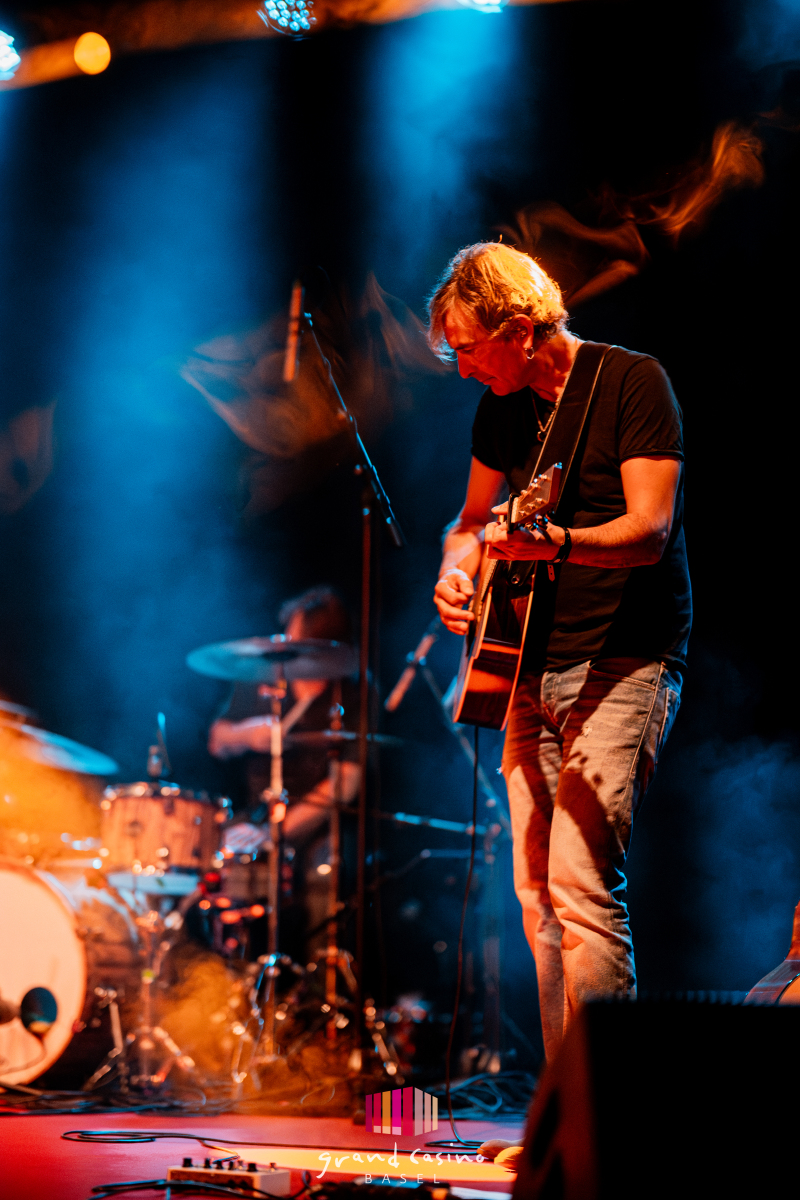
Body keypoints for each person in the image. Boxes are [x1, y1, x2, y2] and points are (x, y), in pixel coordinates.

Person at [429, 243, 690, 1078]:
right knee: (537, 896)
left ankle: (606, 1120)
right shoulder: (501, 410)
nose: (462, 368)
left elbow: (650, 530)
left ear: (518, 328)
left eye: (468, 348)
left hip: (624, 657)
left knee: (580, 886)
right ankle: (561, 1115)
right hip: (523, 667)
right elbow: (471, 521)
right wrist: (457, 570)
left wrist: (558, 543)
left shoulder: (632, 382)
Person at [208, 586, 360, 957]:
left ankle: (316, 976)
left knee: (329, 869)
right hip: (256, 814)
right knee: (214, 857)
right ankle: (230, 967)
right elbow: (217, 741)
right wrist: (247, 734)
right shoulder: (261, 678)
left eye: (297, 638)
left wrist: (275, 834)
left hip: (316, 826)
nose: (287, 643)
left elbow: (345, 783)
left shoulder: (354, 694)